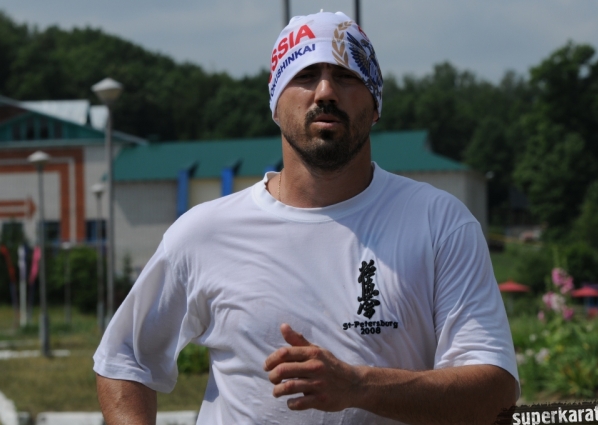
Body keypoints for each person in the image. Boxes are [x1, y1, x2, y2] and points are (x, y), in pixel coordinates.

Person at [94, 10, 519, 425]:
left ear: (375, 104)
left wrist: (359, 387)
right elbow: (123, 359)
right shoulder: (204, 233)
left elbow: (495, 399)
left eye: (347, 76)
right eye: (305, 76)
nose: (325, 92)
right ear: (275, 106)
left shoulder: (439, 224)